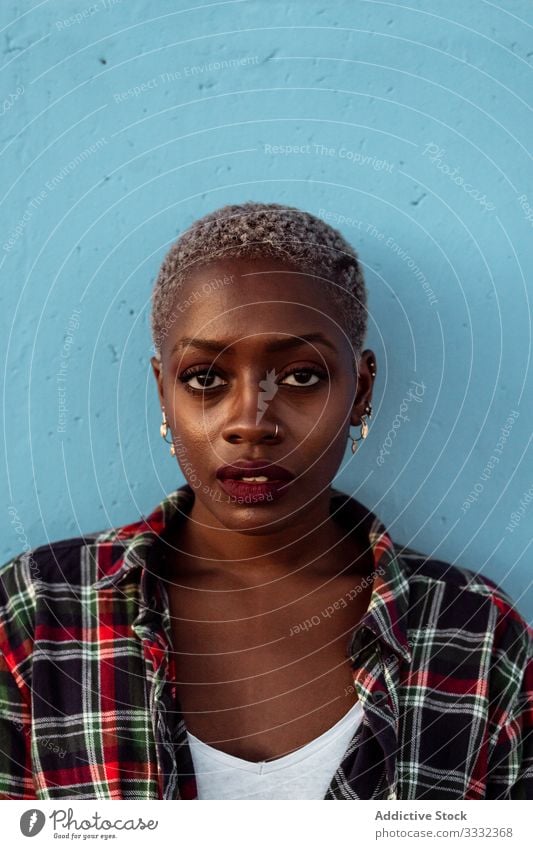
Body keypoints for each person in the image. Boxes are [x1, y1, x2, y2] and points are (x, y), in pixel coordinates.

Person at [0, 201, 531, 800]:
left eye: (303, 375)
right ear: (163, 393)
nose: (251, 423)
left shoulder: (473, 632)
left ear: (362, 392)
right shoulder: (40, 614)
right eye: (205, 378)